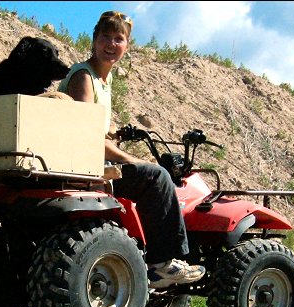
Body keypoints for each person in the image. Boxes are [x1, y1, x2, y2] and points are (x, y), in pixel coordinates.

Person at [58, 10, 205, 289]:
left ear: (127, 46)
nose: (111, 44)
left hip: (87, 160)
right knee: (157, 177)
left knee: (148, 173)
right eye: (105, 37)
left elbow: (93, 121)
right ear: (94, 39)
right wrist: (130, 158)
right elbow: (86, 135)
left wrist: (112, 130)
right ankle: (162, 264)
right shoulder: (84, 77)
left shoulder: (102, 80)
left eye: (118, 38)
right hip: (83, 164)